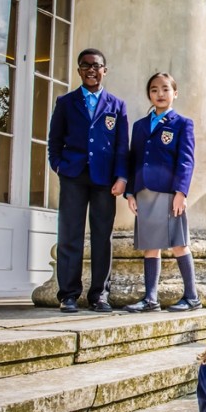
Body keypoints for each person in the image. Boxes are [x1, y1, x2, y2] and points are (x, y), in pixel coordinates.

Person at [47, 48, 129, 313]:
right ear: (79, 70)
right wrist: (58, 165)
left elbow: (121, 146)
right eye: (86, 65)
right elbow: (54, 140)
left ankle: (99, 295)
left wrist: (121, 177)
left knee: (102, 237)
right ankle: (68, 294)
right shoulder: (66, 102)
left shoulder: (117, 106)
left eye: (97, 66)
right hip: (73, 175)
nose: (92, 70)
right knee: (70, 235)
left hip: (104, 179)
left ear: (105, 70)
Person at [124, 73, 200, 312]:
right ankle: (151, 298)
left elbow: (186, 161)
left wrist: (181, 192)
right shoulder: (140, 126)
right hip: (144, 190)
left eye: (165, 89)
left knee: (178, 243)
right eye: (155, 90)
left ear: (174, 93)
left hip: (169, 192)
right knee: (150, 245)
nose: (160, 94)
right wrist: (130, 192)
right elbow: (133, 159)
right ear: (149, 94)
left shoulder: (182, 123)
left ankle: (192, 297)